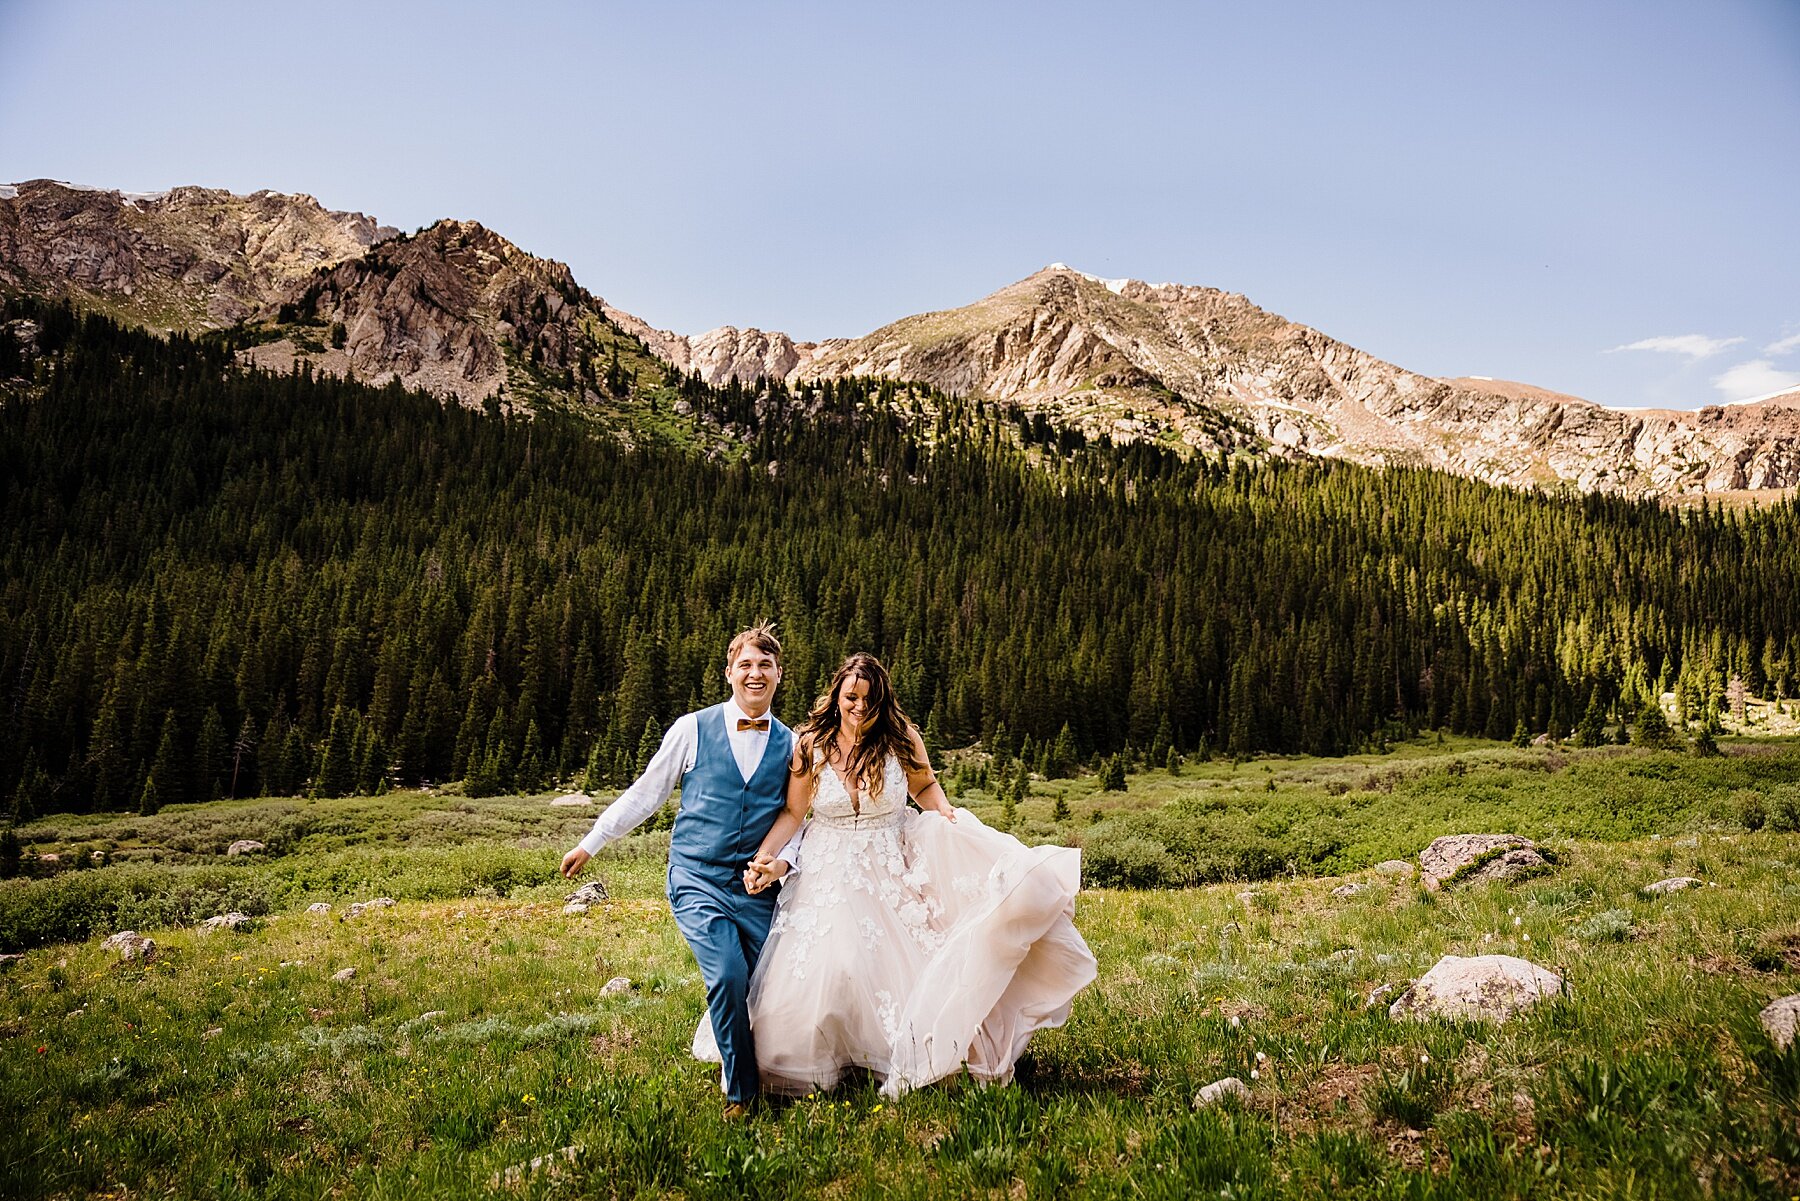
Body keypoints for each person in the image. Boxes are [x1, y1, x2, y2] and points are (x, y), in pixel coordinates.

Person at [730, 652, 1096, 1099]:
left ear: (882, 700)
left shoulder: (900, 737)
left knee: (901, 964)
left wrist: (944, 814)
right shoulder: (811, 743)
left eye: (869, 699)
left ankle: (909, 1053)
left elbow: (924, 786)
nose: (859, 707)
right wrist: (765, 857)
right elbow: (793, 811)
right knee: (833, 964)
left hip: (888, 863)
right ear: (837, 696)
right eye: (851, 697)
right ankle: (821, 1059)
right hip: (826, 867)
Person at [560, 622, 800, 1119]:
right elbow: (648, 792)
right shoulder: (692, 728)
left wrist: (780, 864)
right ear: (729, 673)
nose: (755, 675)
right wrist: (593, 841)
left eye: (765, 666)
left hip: (757, 887)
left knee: (765, 984)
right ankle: (743, 1095)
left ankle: (769, 1067)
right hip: (697, 877)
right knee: (728, 974)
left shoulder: (792, 744)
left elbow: (794, 817)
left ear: (780, 676)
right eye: (746, 665)